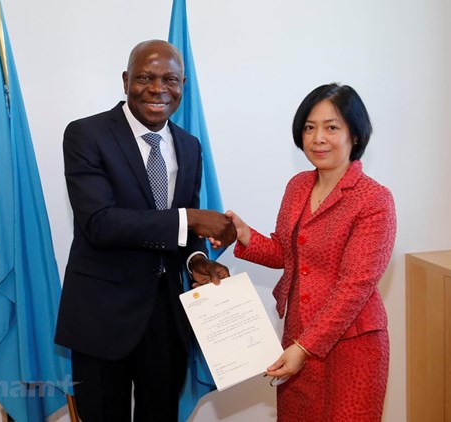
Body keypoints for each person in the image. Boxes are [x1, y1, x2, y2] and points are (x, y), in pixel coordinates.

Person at [54, 39, 236, 422]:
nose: (158, 89)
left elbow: (185, 236)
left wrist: (199, 262)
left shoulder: (189, 146)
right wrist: (190, 218)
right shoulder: (86, 135)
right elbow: (99, 223)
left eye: (170, 79)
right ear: (125, 81)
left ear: (183, 84)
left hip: (167, 321)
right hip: (102, 319)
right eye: (145, 78)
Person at [226, 83, 396, 421]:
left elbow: (355, 286)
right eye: (309, 127)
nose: (318, 138)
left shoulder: (374, 199)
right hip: (297, 338)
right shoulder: (297, 186)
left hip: (352, 345)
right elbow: (286, 254)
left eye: (332, 127)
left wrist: (305, 348)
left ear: (356, 135)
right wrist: (244, 235)